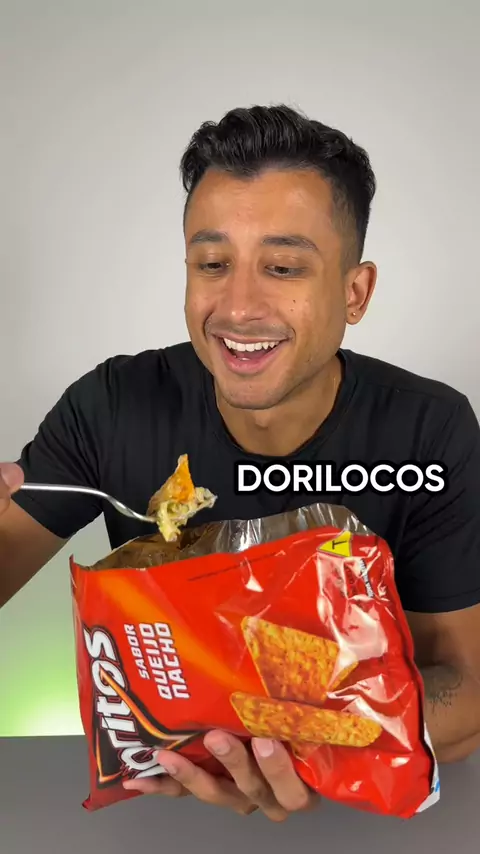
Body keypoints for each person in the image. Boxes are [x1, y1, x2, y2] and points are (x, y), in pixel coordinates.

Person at [1, 104, 480, 821]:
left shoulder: (427, 429)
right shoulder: (114, 405)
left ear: (354, 293)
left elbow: (467, 694)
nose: (238, 306)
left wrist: (290, 735)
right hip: (157, 810)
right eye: (212, 264)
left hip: (376, 808)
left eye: (283, 267)